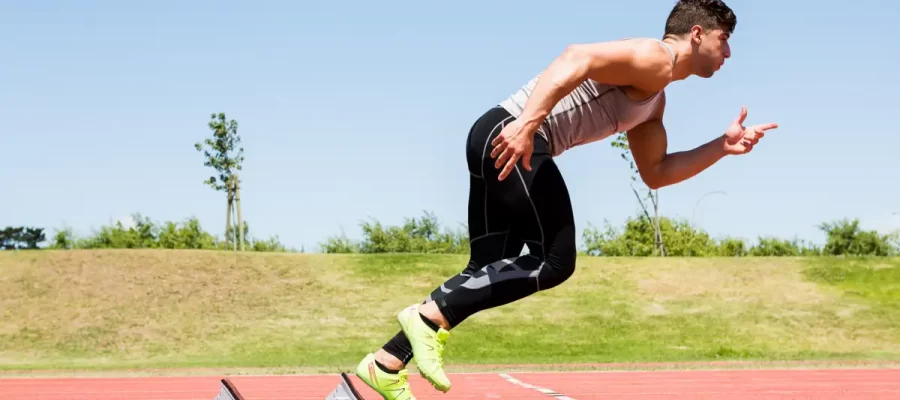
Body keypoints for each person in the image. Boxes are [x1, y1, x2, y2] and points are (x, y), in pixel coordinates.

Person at [353, 0, 777, 398]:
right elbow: (577, 56)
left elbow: (657, 172)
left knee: (485, 271)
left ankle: (386, 364)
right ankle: (427, 317)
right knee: (554, 262)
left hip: (493, 135)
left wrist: (721, 146)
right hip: (516, 137)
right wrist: (527, 125)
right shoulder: (654, 58)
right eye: (725, 39)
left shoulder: (654, 100)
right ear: (698, 34)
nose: (729, 53)